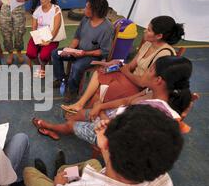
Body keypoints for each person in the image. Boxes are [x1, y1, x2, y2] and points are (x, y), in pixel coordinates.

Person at [25, 104, 184, 186]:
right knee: (93, 163)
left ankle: (55, 176)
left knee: (30, 173)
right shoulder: (165, 182)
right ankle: (62, 170)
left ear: (106, 144)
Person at [32, 56, 193, 143]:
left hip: (110, 135)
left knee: (73, 123)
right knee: (78, 114)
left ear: (159, 80)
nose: (147, 71)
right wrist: (101, 106)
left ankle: (53, 128)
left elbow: (114, 131)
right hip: (111, 116)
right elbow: (128, 101)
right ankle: (65, 127)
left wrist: (100, 112)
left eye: (151, 69)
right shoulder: (155, 92)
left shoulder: (149, 113)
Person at [62, 15, 184, 113]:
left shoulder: (164, 53)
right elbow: (131, 65)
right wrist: (118, 65)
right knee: (100, 72)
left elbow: (144, 82)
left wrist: (124, 70)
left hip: (142, 88)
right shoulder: (148, 44)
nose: (145, 31)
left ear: (159, 36)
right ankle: (81, 104)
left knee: (105, 89)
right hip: (131, 77)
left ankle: (90, 113)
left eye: (149, 30)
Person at [51, 0, 113, 102]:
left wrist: (85, 53)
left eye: (87, 8)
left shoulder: (107, 28)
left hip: (93, 56)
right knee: (56, 53)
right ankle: (62, 79)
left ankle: (72, 90)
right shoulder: (85, 19)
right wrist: (69, 50)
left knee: (77, 66)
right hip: (79, 50)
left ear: (96, 11)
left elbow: (103, 51)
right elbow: (77, 37)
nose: (84, 9)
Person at [26, 0, 64, 78]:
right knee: (30, 53)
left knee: (44, 55)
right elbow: (34, 27)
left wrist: (48, 41)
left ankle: (42, 68)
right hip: (39, 35)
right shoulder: (37, 10)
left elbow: (56, 28)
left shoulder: (56, 9)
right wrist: (38, 39)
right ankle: (40, 65)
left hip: (52, 37)